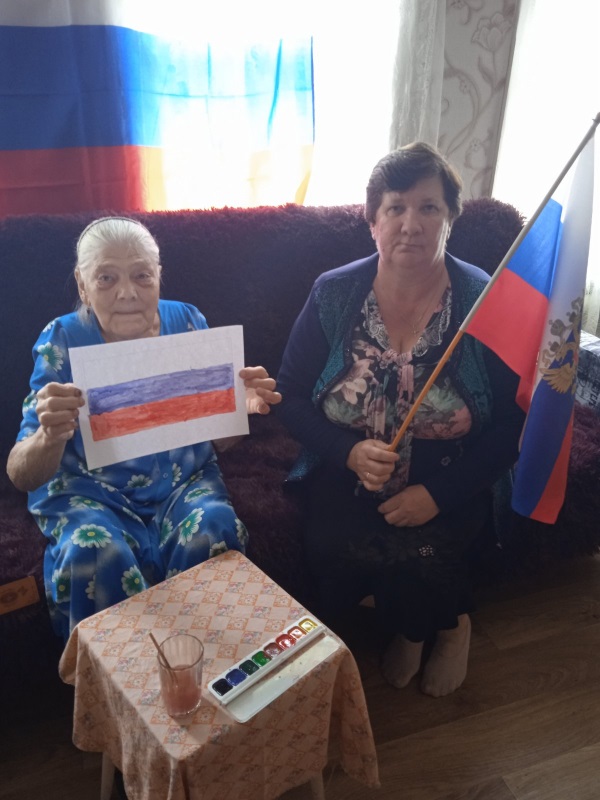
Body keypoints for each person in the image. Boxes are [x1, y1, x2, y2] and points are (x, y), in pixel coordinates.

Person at [276, 142, 525, 697]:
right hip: (352, 465)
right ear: (373, 221)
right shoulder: (333, 292)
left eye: (429, 207)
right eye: (395, 207)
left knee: (426, 554)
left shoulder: (484, 300)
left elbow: (515, 424)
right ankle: (411, 622)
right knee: (333, 549)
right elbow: (288, 395)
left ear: (451, 217)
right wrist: (346, 452)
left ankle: (447, 628)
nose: (411, 224)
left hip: (452, 471)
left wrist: (438, 494)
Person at [7, 216, 281, 641]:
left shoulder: (187, 323)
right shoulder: (62, 339)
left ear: (158, 276)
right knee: (93, 550)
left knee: (213, 526)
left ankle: (206, 660)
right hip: (91, 491)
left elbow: (224, 443)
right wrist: (49, 435)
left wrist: (237, 411)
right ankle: (120, 674)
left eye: (141, 275)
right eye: (106, 278)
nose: (127, 293)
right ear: (82, 285)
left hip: (181, 483)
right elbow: (21, 474)